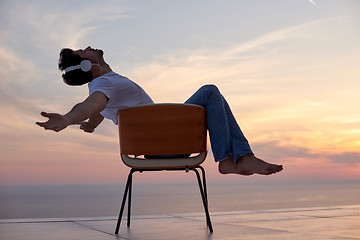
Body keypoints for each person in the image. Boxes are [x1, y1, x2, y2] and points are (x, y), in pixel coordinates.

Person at [36, 46, 283, 176]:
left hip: (158, 149)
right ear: (87, 64)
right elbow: (93, 104)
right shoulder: (103, 84)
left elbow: (99, 108)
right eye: (83, 50)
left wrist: (91, 124)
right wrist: (68, 118)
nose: (89, 46)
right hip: (171, 144)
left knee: (212, 94)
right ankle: (233, 159)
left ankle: (236, 159)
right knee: (209, 92)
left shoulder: (105, 85)